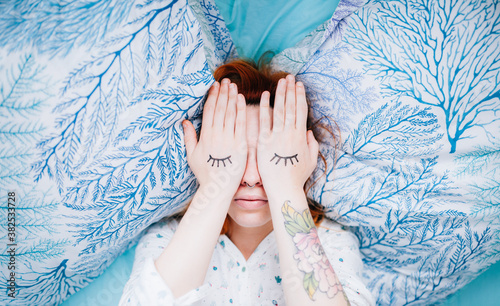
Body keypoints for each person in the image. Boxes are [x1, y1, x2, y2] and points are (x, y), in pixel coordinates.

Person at [119, 59, 374, 305]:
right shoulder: (166, 239)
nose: (251, 178)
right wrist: (214, 186)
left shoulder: (331, 242)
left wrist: (286, 187)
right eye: (235, 154)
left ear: (305, 157)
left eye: (269, 156)